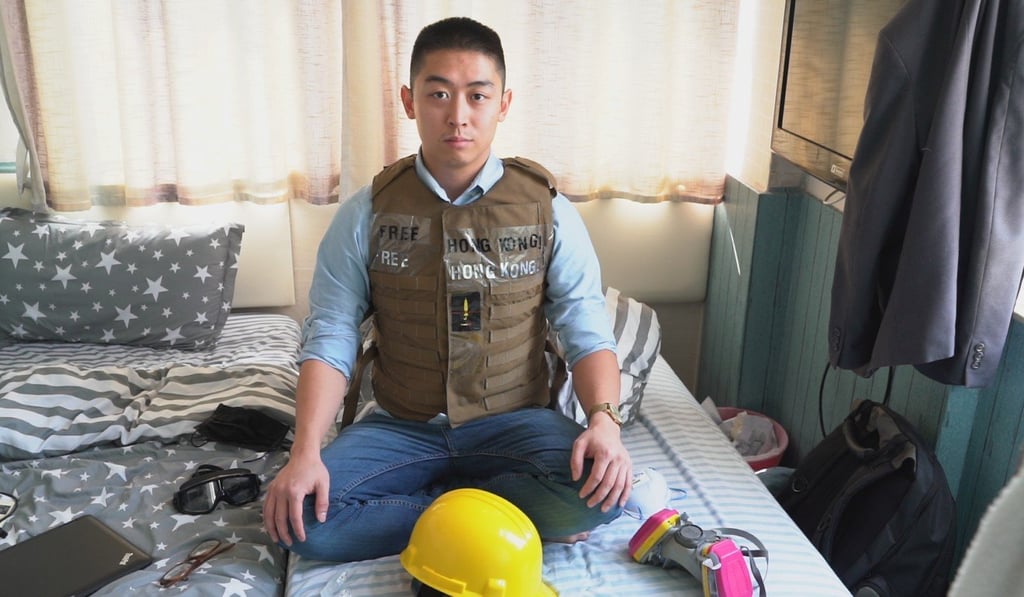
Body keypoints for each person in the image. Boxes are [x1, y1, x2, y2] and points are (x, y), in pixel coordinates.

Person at [263, 16, 631, 563]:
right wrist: (304, 452)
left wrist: (604, 423)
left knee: (599, 498)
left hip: (515, 422)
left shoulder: (548, 209)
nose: (457, 116)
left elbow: (584, 326)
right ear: (411, 101)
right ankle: (488, 514)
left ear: (503, 104)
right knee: (302, 525)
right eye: (438, 94)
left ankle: (434, 511)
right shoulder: (366, 211)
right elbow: (331, 336)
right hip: (402, 425)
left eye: (476, 96)